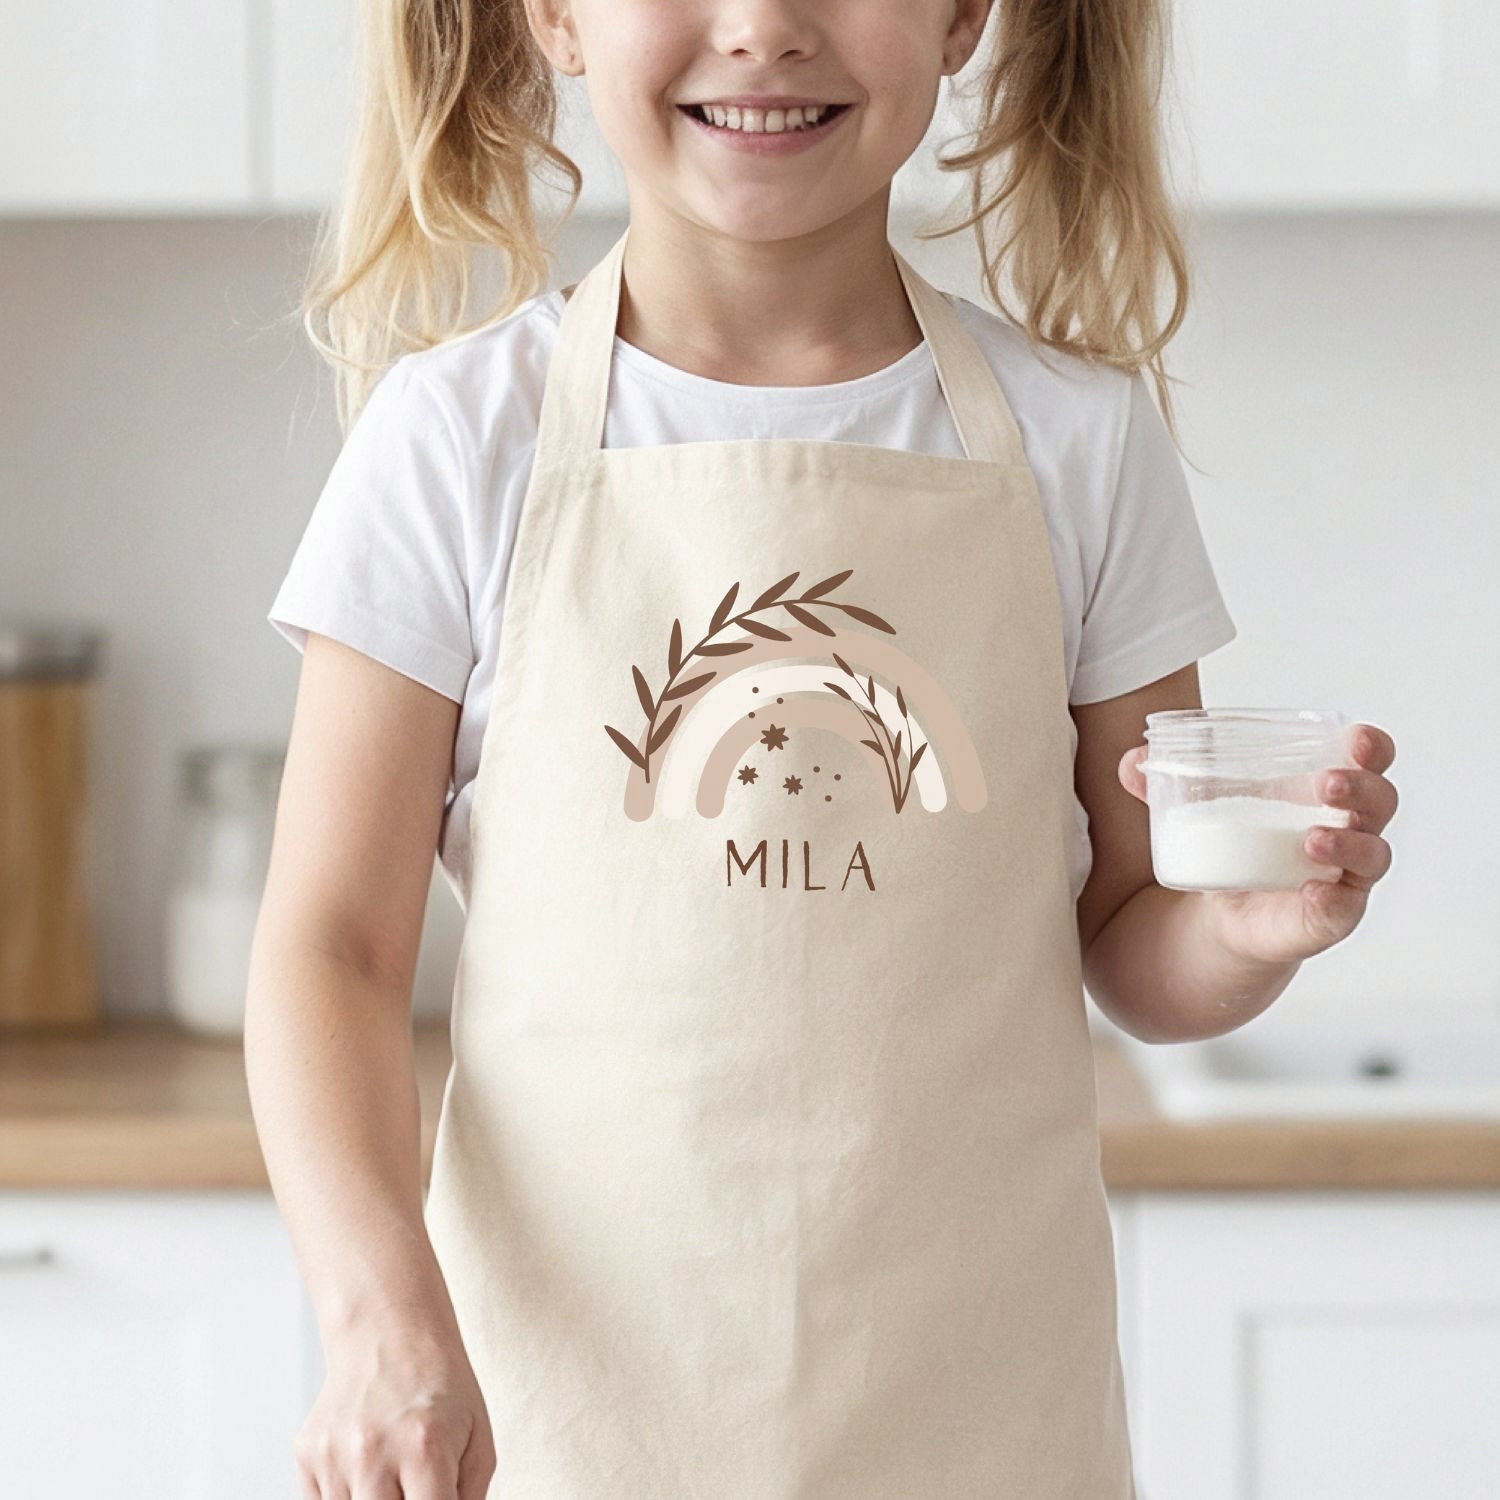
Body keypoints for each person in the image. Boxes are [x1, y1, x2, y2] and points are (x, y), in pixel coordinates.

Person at [245, 1, 1400, 1496]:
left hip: (978, 1420)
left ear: (964, 16)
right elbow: (327, 944)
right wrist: (377, 1315)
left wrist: (1248, 930)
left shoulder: (1079, 442)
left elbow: (1129, 937)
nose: (763, 28)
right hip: (565, 1418)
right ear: (554, 17)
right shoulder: (456, 440)